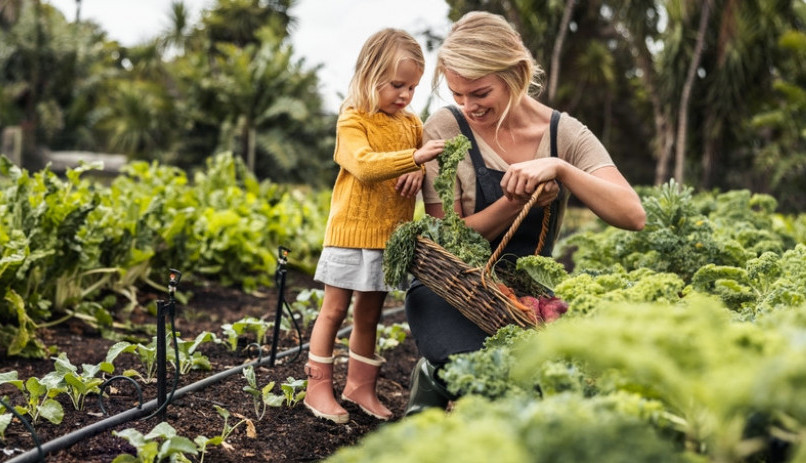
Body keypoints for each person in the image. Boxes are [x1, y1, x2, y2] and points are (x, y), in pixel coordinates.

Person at [404, 11, 646, 415]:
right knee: (490, 375)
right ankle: (435, 375)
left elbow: (632, 214)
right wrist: (512, 203)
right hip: (452, 290)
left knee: (562, 382)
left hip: (525, 297)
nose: (469, 106)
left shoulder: (562, 134)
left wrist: (561, 168)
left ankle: (440, 380)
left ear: (515, 73)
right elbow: (447, 242)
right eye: (458, 93)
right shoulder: (445, 129)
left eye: (480, 93)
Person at [304, 28, 445, 424]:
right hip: (350, 235)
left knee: (370, 316)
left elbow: (420, 165)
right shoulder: (353, 119)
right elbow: (365, 166)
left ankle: (359, 387)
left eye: (412, 87)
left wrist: (418, 170)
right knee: (333, 311)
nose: (404, 95)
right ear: (369, 74)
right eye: (397, 85)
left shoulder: (411, 123)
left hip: (389, 239)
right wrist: (414, 159)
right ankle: (317, 389)